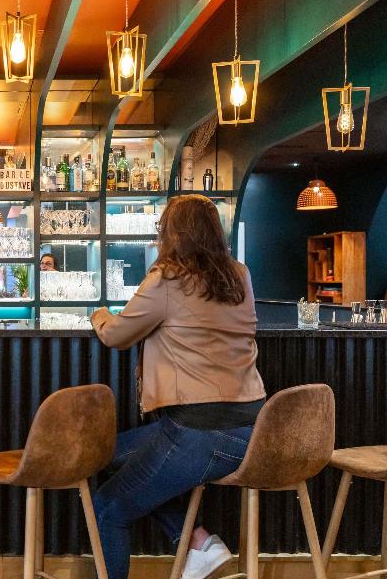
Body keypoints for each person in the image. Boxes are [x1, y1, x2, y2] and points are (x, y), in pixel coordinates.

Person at [90, 194, 266, 579]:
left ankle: (197, 545)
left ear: (172, 233)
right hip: (254, 430)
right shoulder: (240, 274)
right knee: (106, 456)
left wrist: (98, 313)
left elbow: (117, 335)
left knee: (107, 508)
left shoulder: (167, 279)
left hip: (198, 433)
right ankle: (198, 542)